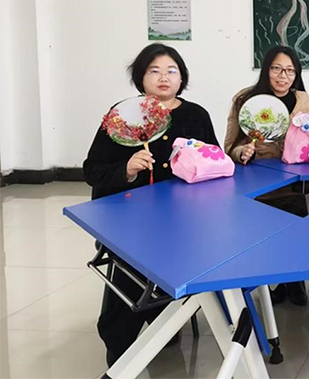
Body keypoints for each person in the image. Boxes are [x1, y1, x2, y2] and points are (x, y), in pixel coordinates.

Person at [83, 43, 219, 367]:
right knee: (131, 269)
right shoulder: (122, 116)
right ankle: (119, 343)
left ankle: (165, 323)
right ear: (140, 77)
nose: (163, 77)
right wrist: (127, 169)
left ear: (182, 77)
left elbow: (216, 162)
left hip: (183, 220)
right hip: (128, 220)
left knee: (177, 264)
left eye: (172, 70)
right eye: (154, 71)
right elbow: (92, 170)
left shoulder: (196, 115)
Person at [224, 45, 309, 305]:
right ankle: (271, 283)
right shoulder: (245, 100)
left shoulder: (304, 103)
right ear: (266, 70)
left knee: (298, 229)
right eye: (276, 68)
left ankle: (294, 283)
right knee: (265, 236)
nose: (282, 76)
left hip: (294, 182)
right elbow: (229, 146)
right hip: (257, 184)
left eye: (289, 70)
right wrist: (243, 152)